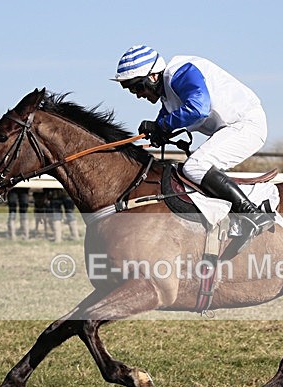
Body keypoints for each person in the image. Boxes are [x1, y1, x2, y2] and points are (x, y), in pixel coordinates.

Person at [113, 45, 274, 249]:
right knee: (188, 169)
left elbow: (198, 108)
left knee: (194, 166)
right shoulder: (168, 92)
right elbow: (167, 116)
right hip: (233, 127)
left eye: (138, 87)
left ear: (153, 76)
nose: (138, 94)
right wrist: (157, 130)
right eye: (131, 90)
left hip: (246, 125)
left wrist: (161, 126)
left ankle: (252, 214)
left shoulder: (180, 72)